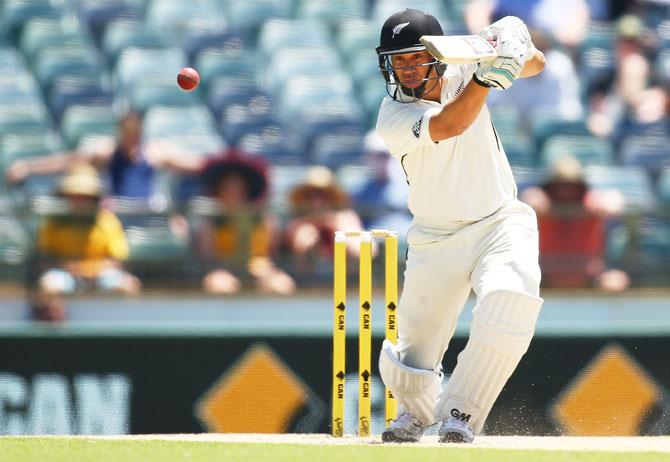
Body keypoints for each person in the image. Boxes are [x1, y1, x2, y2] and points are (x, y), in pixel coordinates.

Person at [373, 10, 546, 443]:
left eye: (414, 57)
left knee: (511, 301)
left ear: (437, 54)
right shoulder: (392, 116)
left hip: (499, 222)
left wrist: (507, 48)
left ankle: (460, 415)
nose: (407, 69)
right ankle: (413, 414)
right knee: (414, 354)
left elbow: (537, 64)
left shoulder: (465, 64)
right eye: (398, 61)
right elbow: (451, 123)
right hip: (435, 237)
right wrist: (488, 77)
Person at [32, 163, 140, 322]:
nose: (79, 201)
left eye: (84, 196)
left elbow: (118, 260)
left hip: (101, 275)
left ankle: (124, 334)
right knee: (48, 285)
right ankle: (56, 334)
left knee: (129, 286)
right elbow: (45, 258)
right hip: (66, 275)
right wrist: (65, 266)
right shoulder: (53, 222)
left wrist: (94, 269)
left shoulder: (107, 221)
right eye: (74, 195)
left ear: (93, 198)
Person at [520, 154, 630, 290]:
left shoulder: (591, 202)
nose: (565, 191)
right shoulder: (539, 202)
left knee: (616, 281)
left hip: (589, 278)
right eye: (560, 186)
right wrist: (534, 204)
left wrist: (605, 204)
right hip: (544, 277)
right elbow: (527, 198)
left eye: (571, 186)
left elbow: (614, 201)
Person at [195, 151, 296, 295]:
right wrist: (221, 271)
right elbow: (209, 260)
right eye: (228, 186)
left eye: (238, 186)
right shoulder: (210, 221)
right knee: (222, 286)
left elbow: (270, 256)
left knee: (280, 285)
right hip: (222, 271)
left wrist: (265, 270)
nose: (233, 190)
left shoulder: (265, 219)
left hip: (260, 270)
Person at [283, 165, 366, 280]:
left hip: (347, 285)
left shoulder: (346, 218)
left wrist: (337, 230)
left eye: (323, 195)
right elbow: (300, 265)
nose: (317, 202)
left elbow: (365, 253)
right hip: (309, 288)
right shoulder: (296, 223)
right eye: (310, 196)